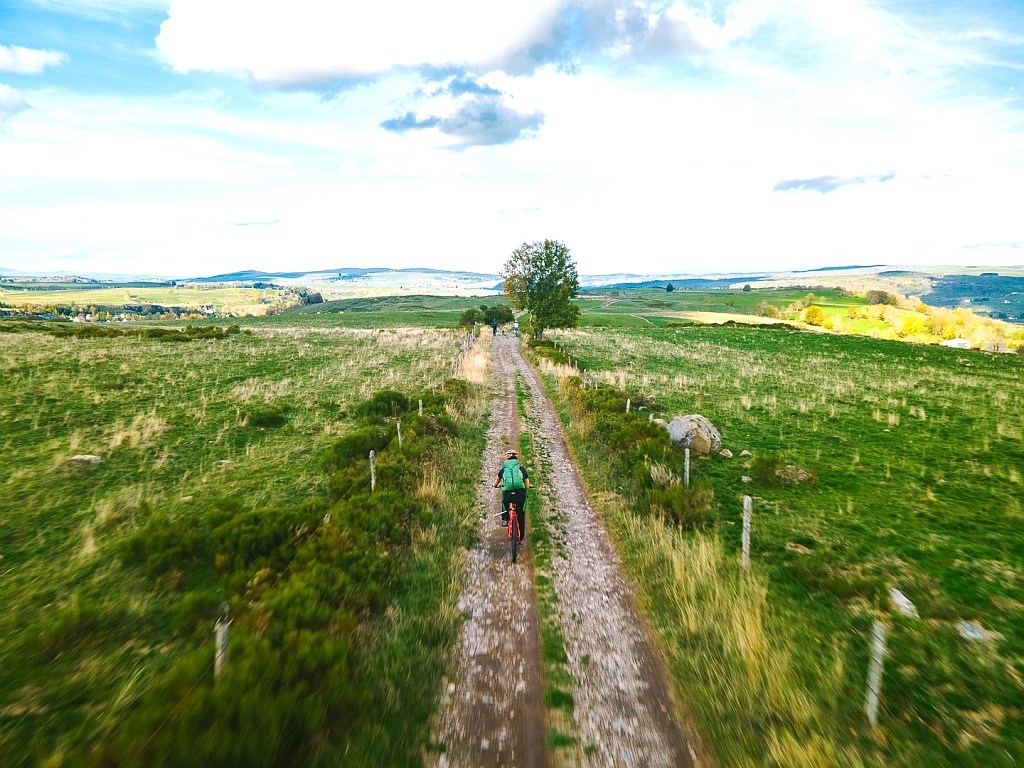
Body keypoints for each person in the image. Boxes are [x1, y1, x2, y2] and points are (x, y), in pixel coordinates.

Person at [493, 448, 529, 539]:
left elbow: (497, 480)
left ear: (507, 458)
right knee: (521, 514)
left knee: (504, 501)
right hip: (520, 494)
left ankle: (505, 519)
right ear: (517, 458)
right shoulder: (521, 469)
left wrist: (495, 485)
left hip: (508, 495)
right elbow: (527, 482)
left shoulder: (504, 469)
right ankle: (520, 538)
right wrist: (527, 486)